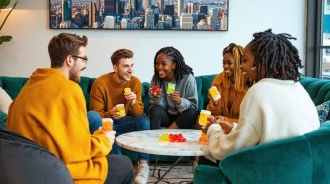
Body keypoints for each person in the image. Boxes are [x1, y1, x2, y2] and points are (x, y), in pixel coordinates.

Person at [6, 33, 134, 184]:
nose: (85, 64)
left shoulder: (28, 87)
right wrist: (104, 140)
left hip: (24, 171)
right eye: (84, 59)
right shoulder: (69, 89)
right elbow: (77, 149)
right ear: (69, 59)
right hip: (58, 172)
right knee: (125, 164)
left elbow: (59, 137)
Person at [202, 29, 320, 162]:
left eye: (245, 61)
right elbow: (274, 136)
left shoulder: (258, 91)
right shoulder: (299, 89)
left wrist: (213, 129)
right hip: (300, 170)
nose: (241, 67)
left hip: (268, 172)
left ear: (262, 62)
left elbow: (227, 150)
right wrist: (235, 128)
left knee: (209, 158)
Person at [89, 49, 150, 184]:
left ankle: (143, 164)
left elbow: (139, 114)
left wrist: (133, 102)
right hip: (108, 124)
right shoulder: (100, 83)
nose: (130, 70)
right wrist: (109, 113)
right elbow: (95, 115)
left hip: (126, 122)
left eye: (132, 65)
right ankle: (119, 171)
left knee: (144, 121)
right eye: (125, 66)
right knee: (110, 136)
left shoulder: (135, 82)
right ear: (115, 67)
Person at [148, 46, 198, 129]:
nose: (159, 67)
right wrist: (157, 98)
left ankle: (168, 131)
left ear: (173, 65)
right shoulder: (156, 78)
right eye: (157, 64)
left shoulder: (188, 78)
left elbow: (193, 106)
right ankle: (154, 136)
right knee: (154, 109)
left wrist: (180, 101)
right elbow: (157, 107)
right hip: (165, 115)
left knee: (192, 113)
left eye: (163, 64)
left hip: (181, 117)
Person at [206, 43, 249, 124]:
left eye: (229, 63)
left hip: (240, 129)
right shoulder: (219, 79)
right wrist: (215, 103)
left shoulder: (249, 83)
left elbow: (247, 122)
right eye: (224, 63)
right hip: (220, 126)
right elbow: (213, 114)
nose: (225, 66)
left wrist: (225, 120)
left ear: (240, 64)